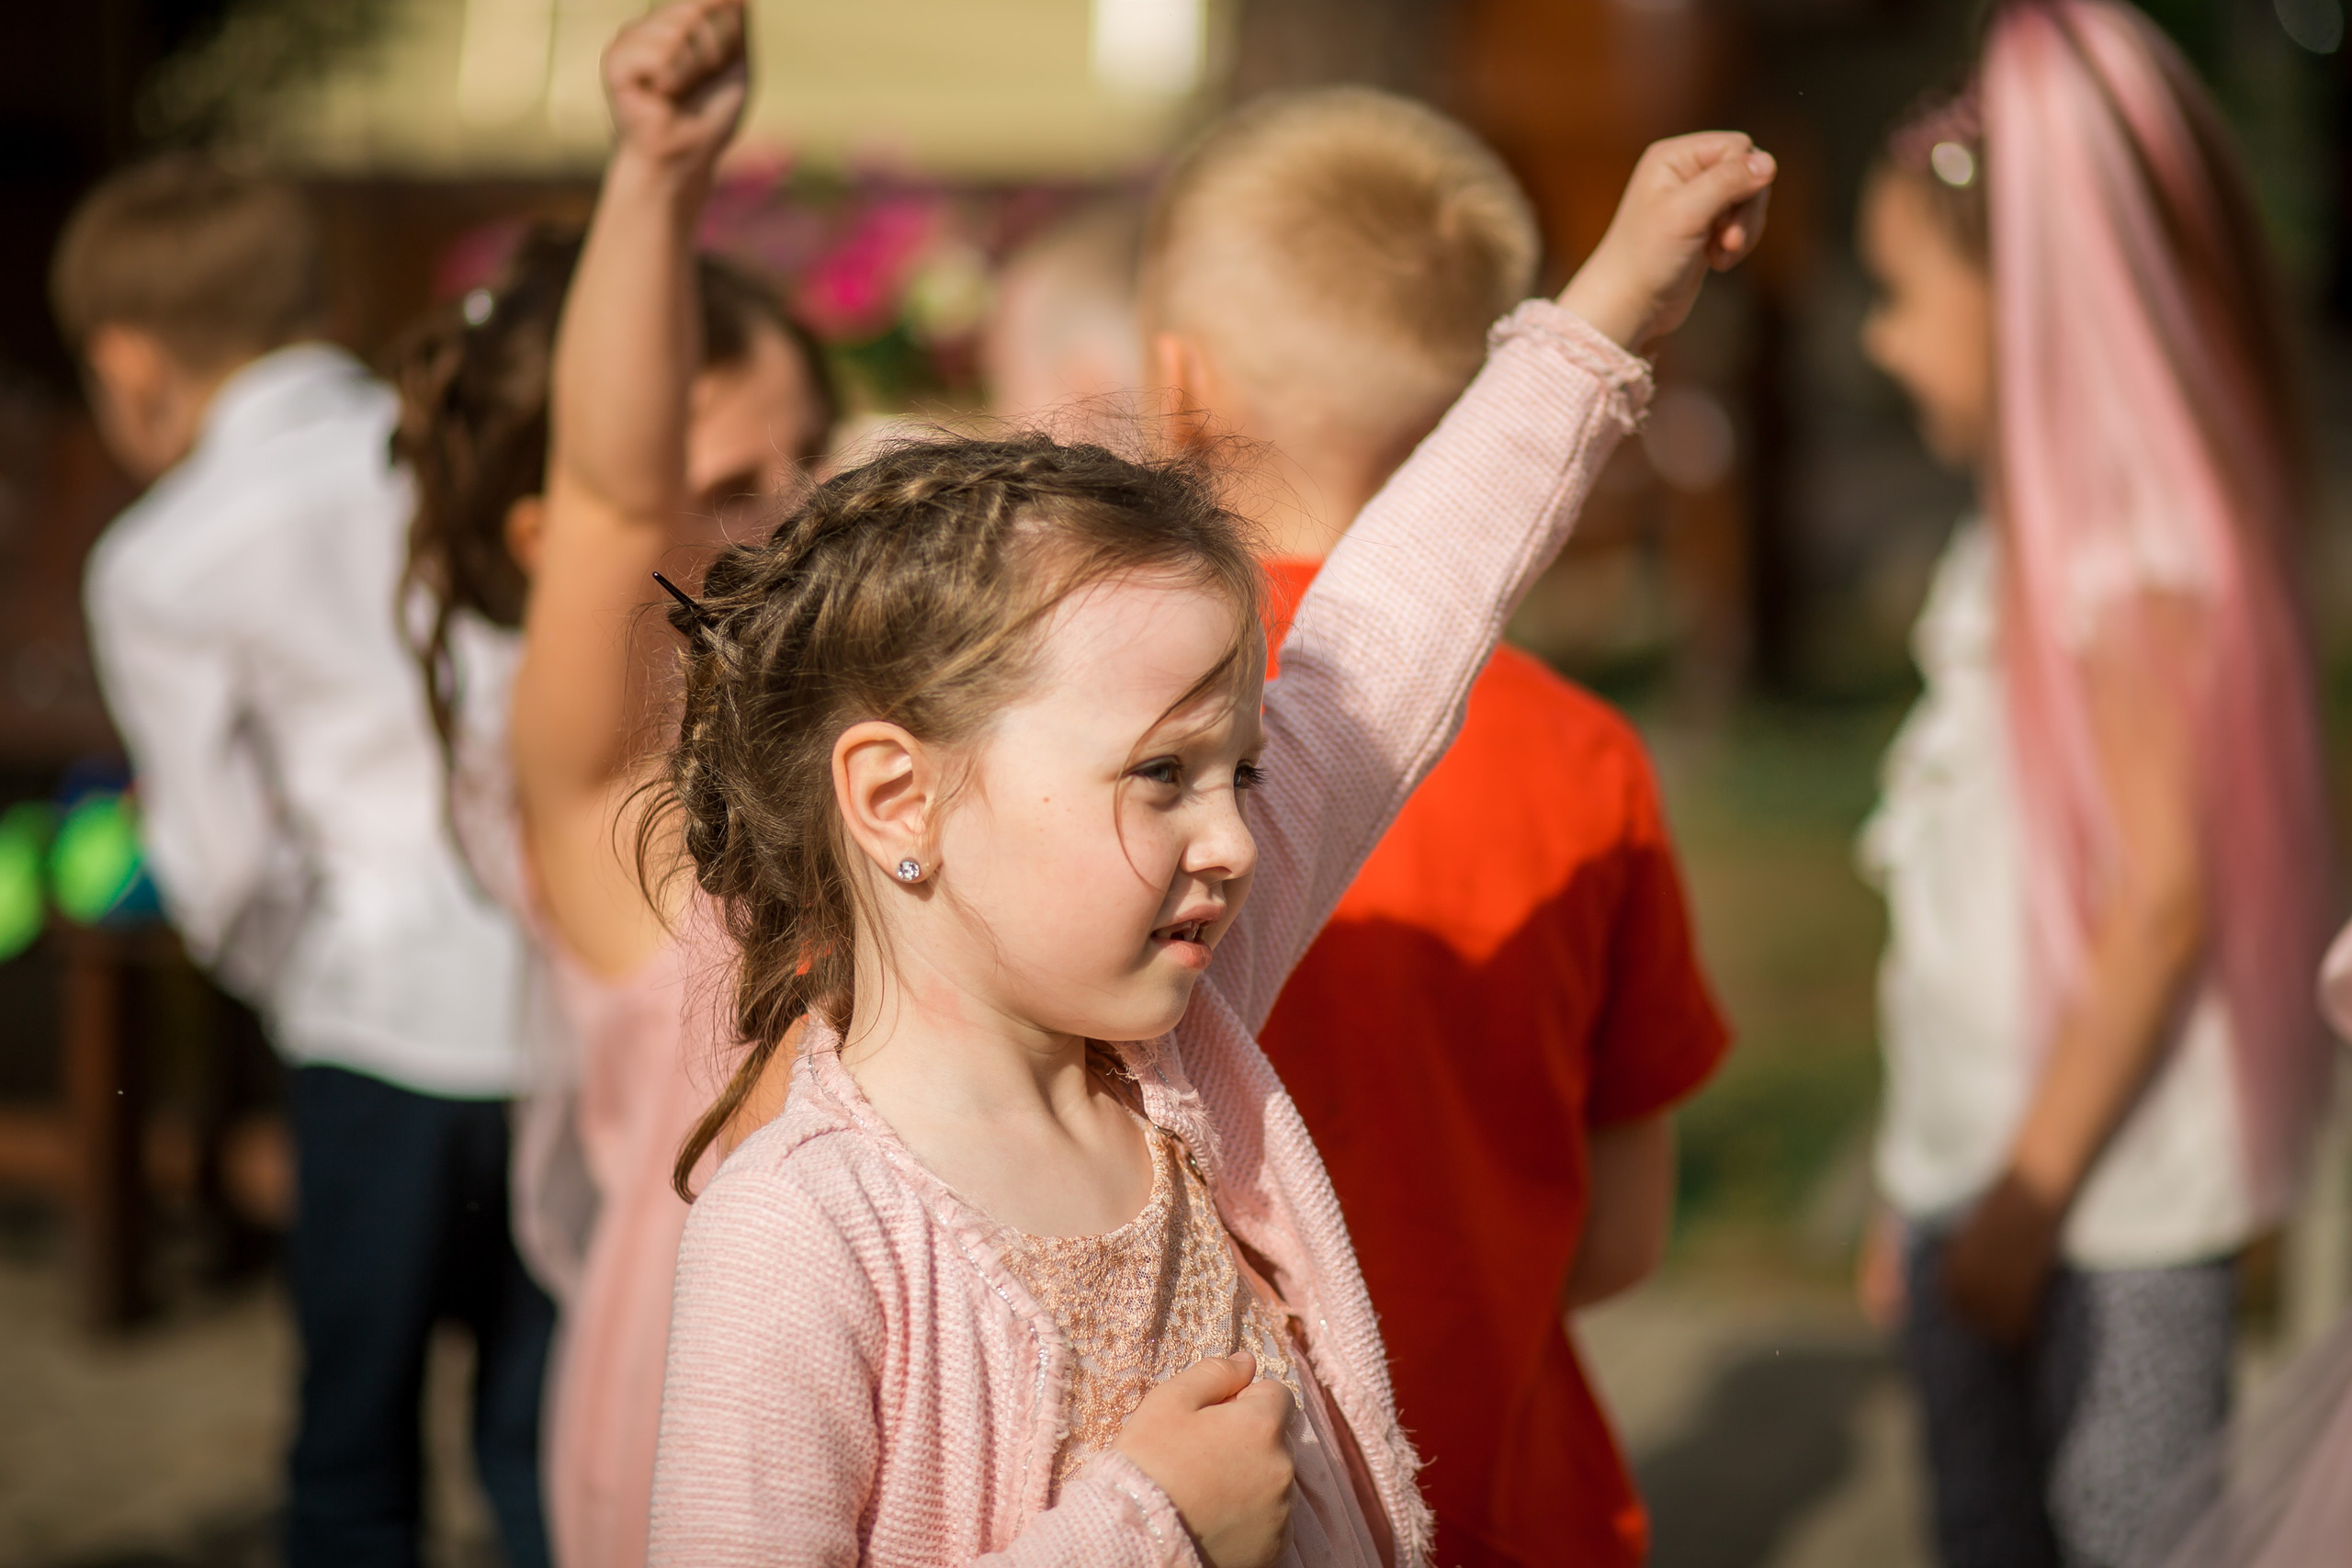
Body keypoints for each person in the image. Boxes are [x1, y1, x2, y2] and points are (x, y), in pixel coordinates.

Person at [588, 7, 1771, 1554]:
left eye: (1243, 771)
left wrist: (1610, 305)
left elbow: (1393, 631)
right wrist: (1150, 1522)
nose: (1236, 840)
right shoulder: (797, 1231)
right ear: (894, 798)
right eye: (1161, 775)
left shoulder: (1178, 1055)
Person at [1136, 88, 1729, 1568]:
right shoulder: (1588, 758)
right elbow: (1623, 1233)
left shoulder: (1116, 732)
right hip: (1515, 1501)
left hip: (1204, 1500)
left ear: (1175, 385)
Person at [1850, 5, 2335, 1564]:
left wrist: (2025, 1197)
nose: (1878, 340)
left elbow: (2162, 901)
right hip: (1985, 1186)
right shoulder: (2011, 543)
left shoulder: (2133, 567)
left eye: (1900, 297)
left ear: (2028, 298)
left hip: (2101, 1214)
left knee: (2131, 1534)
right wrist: (1922, 1181)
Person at [58, 156, 552, 1566]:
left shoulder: (162, 556)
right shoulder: (457, 441)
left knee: (349, 1454)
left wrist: (298, 980)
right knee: (542, 1443)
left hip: (370, 1020)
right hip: (554, 995)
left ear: (128, 364)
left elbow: (215, 859)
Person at [389, 213, 832, 1568]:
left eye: (814, 450)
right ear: (551, 541)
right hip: (705, 1380)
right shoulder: (613, 783)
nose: (804, 512)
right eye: (732, 483)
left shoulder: (858, 733)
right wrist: (659, 171)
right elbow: (617, 500)